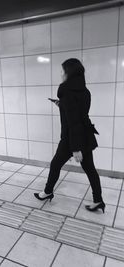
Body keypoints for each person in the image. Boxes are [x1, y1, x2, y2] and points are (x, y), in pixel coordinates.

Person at [34, 58, 105, 213]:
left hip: (71, 139)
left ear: (69, 73)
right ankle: (98, 200)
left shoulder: (66, 91)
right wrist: (61, 104)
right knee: (90, 169)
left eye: (63, 70)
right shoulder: (85, 91)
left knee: (55, 164)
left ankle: (47, 192)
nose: (61, 73)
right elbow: (78, 114)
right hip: (86, 135)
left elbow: (73, 122)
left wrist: (76, 149)